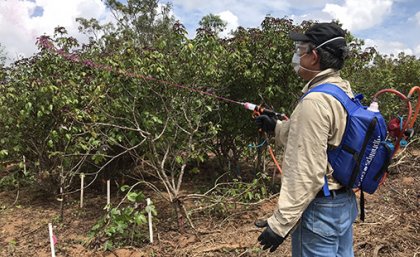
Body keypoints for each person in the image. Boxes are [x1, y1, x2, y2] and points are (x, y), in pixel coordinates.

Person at [255, 22, 358, 256]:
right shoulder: (343, 91)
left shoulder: (315, 102)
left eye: (301, 49)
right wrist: (278, 127)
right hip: (342, 205)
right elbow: (330, 138)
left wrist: (280, 224)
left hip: (319, 212)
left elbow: (305, 169)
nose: (297, 55)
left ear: (314, 56)